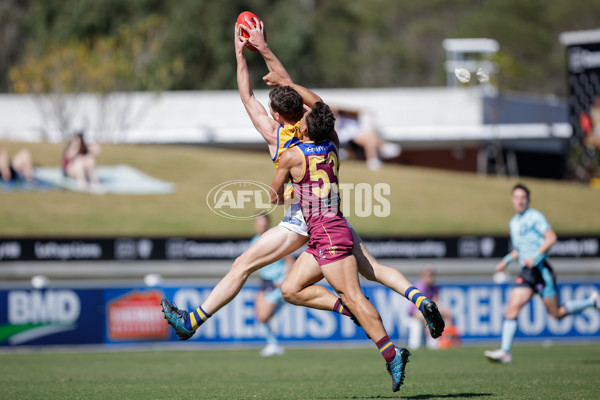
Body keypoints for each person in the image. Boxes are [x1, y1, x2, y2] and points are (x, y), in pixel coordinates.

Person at [161, 16, 444, 364]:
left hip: (302, 221)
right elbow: (294, 87)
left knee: (242, 266)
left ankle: (193, 321)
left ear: (277, 115)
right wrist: (264, 49)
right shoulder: (317, 130)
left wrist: (240, 56)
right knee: (371, 268)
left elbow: (247, 95)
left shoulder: (277, 137)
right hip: (333, 214)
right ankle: (417, 298)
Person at [269, 100, 409, 391]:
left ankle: (393, 354)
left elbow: (274, 196)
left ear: (305, 127)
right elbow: (320, 107)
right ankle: (348, 310)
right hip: (323, 235)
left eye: (303, 118)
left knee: (355, 296)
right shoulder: (332, 146)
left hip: (329, 234)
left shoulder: (291, 156)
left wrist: (293, 192)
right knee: (290, 290)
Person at [484, 183, 600, 364]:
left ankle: (592, 302)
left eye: (523, 197)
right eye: (516, 197)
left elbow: (551, 238)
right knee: (511, 310)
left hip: (541, 271)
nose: (519, 201)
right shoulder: (513, 222)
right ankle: (505, 352)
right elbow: (520, 250)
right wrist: (505, 261)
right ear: (512, 200)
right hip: (526, 272)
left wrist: (536, 257)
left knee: (556, 313)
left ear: (528, 200)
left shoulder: (535, 217)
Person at [252, 213, 294, 357]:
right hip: (264, 281)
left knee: (264, 316)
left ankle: (285, 300)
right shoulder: (255, 240)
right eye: (259, 222)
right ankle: (273, 343)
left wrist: (282, 279)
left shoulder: (274, 239)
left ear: (268, 223)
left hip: (276, 282)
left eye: (264, 222)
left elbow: (290, 261)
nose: (261, 225)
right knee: (260, 316)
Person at [333, 107, 401, 171]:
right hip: (347, 135)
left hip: (357, 132)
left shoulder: (348, 117)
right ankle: (383, 147)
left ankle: (377, 155)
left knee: (370, 135)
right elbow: (338, 131)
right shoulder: (336, 118)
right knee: (369, 140)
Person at [406, 266, 455, 350]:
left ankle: (446, 340)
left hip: (427, 310)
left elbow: (437, 303)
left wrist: (443, 311)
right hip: (415, 312)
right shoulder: (419, 286)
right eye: (428, 275)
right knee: (427, 315)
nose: (430, 277)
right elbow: (413, 308)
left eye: (431, 275)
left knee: (446, 314)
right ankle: (432, 340)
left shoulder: (434, 288)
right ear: (423, 275)